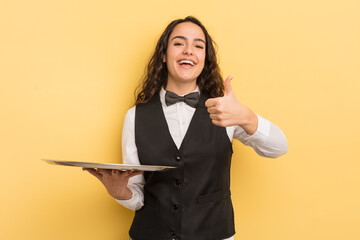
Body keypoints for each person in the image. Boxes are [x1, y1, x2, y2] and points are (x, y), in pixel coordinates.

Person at [83, 16, 288, 240]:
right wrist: (118, 191)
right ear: (163, 55)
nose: (189, 50)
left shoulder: (224, 110)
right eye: (179, 43)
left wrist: (247, 117)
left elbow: (279, 147)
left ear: (204, 59)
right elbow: (138, 197)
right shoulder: (135, 116)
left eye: (198, 46)